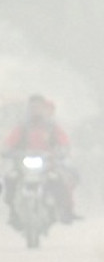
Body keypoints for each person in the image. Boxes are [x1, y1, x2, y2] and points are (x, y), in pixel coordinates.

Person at [2, 94, 78, 225]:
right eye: (32, 107)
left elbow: (63, 141)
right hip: (24, 166)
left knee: (59, 180)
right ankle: (13, 212)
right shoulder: (23, 127)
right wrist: (6, 151)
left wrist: (62, 150)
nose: (35, 110)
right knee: (10, 180)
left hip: (48, 164)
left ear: (43, 108)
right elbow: (10, 141)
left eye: (38, 107)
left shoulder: (51, 127)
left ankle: (65, 211)